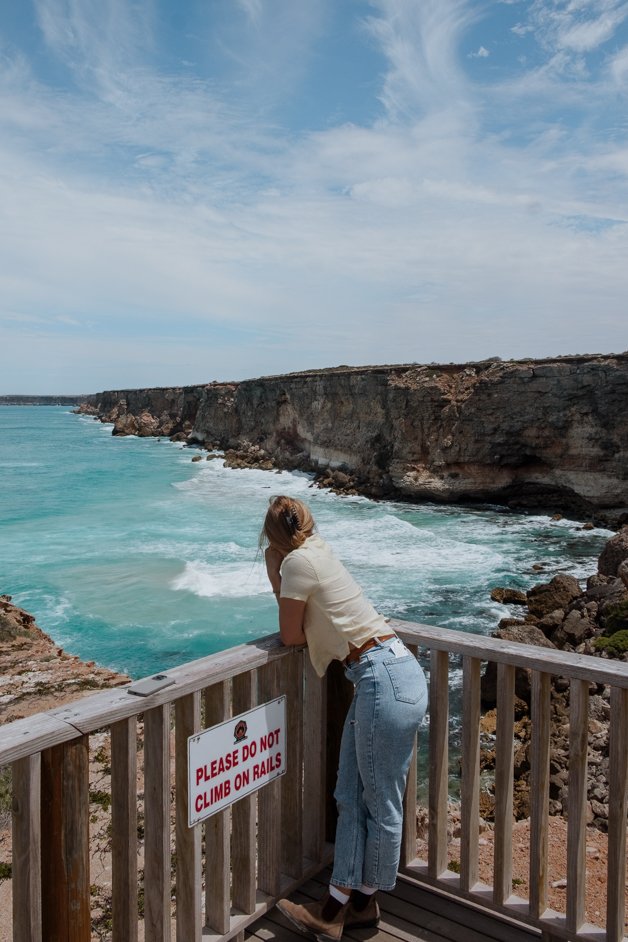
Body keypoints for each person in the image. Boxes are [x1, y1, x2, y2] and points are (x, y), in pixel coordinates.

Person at [261, 495, 428, 942]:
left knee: (377, 802)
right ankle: (358, 906)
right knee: (352, 795)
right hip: (390, 671)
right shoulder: (319, 550)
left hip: (382, 678)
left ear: (272, 536)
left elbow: (291, 635)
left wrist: (273, 569)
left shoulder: (297, 564)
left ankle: (338, 909)